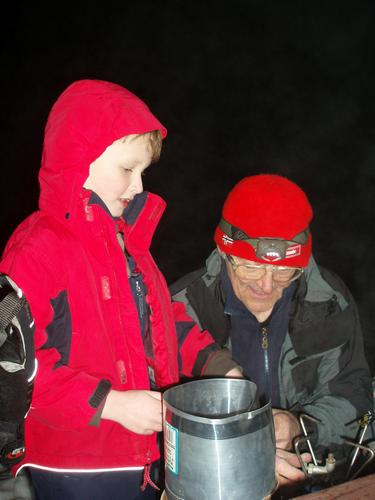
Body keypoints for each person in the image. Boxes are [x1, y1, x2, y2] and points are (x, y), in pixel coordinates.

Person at [0, 79, 241, 500]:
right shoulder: (39, 247)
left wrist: (219, 368)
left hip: (148, 457)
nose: (139, 188)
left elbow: (164, 326)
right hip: (75, 465)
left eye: (143, 172)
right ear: (78, 161)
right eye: (127, 170)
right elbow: (14, 367)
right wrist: (111, 404)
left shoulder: (129, 247)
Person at [170, 173, 373, 489]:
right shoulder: (183, 309)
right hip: (219, 485)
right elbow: (170, 422)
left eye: (284, 272)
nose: (266, 285)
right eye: (251, 267)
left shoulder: (329, 301)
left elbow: (354, 395)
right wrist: (247, 455)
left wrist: (299, 427)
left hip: (313, 477)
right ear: (225, 253)